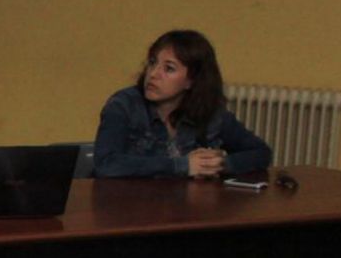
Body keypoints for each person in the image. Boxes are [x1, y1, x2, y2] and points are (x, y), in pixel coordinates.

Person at [93, 29, 271, 179]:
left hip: (187, 209)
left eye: (168, 68)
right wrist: (181, 165)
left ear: (191, 80)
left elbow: (261, 152)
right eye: (153, 62)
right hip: (131, 209)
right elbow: (106, 164)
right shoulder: (124, 105)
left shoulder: (210, 112)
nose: (153, 74)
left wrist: (220, 165)